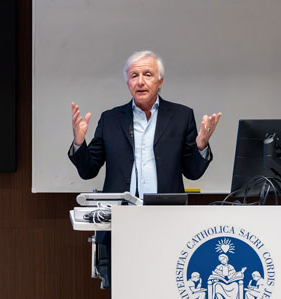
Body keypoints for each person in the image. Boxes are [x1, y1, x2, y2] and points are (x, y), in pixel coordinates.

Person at [68, 50, 221, 285]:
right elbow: (89, 170)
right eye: (134, 75)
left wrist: (201, 144)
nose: (140, 81)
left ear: (160, 81)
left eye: (147, 74)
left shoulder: (181, 116)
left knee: (166, 287)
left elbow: (192, 172)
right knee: (124, 290)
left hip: (168, 219)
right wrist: (79, 142)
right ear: (127, 83)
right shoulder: (110, 119)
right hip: (120, 221)